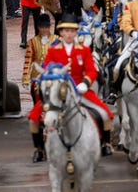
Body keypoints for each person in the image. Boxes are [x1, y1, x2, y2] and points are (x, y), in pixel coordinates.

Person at [31, 15, 114, 158]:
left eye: (72, 31)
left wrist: (85, 83)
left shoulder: (83, 50)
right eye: (66, 31)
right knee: (32, 118)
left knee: (105, 114)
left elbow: (91, 70)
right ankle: (39, 149)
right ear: (61, 32)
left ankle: (105, 144)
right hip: (58, 91)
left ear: (75, 33)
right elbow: (47, 68)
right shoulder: (53, 50)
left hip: (80, 90)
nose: (69, 34)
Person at [21, 14, 55, 163]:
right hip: (37, 84)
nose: (44, 30)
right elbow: (28, 60)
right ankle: (39, 148)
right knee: (38, 115)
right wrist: (26, 78)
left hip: (53, 83)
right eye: (42, 27)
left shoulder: (56, 41)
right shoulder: (32, 42)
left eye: (46, 27)